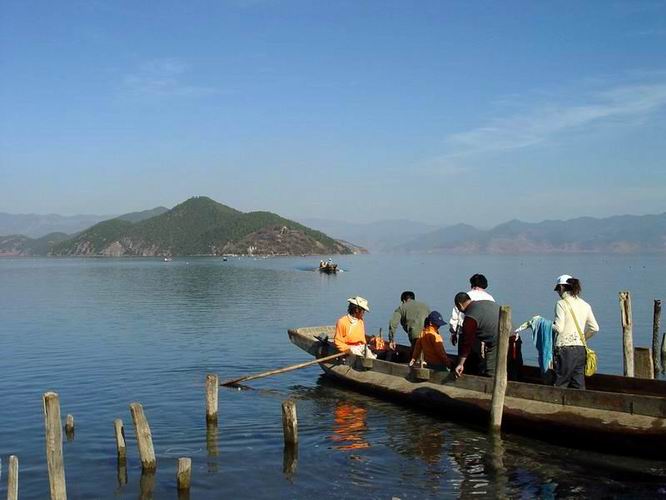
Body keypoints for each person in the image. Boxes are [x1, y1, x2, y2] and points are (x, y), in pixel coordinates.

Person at [552, 274, 599, 389]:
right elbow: (594, 328)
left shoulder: (561, 304)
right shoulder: (585, 305)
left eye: (558, 289)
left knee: (560, 383)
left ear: (562, 287)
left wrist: (544, 323)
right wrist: (582, 338)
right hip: (580, 349)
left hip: (565, 350)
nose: (558, 292)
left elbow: (559, 328)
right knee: (578, 385)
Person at [453, 292, 501, 377]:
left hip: (498, 341)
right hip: (514, 336)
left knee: (491, 372)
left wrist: (461, 364)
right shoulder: (486, 302)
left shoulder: (470, 317)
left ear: (460, 305)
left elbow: (467, 342)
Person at [449, 274, 495, 347]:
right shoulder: (490, 298)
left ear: (471, 284)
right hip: (484, 335)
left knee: (464, 353)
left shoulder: (464, 297)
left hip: (465, 333)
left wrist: (453, 333)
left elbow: (455, 317)